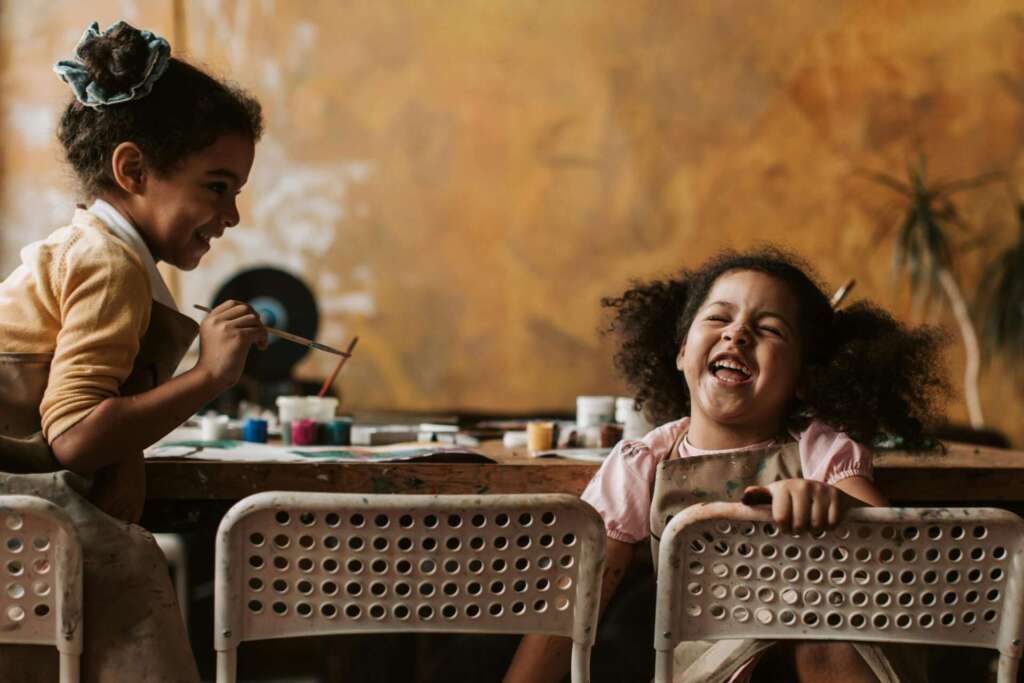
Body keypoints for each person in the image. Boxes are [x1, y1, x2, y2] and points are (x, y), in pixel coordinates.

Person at [504, 248, 948, 683]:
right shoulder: (644, 462)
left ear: (805, 378)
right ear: (681, 352)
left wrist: (835, 503)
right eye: (719, 318)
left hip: (832, 651)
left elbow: (893, 547)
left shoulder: (821, 448)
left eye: (770, 329)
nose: (737, 334)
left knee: (823, 636)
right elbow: (577, 600)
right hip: (712, 670)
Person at [0, 20, 267, 681]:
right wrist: (210, 374)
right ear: (133, 169)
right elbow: (76, 438)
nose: (231, 216)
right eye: (216, 184)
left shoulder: (98, 248)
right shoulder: (111, 262)